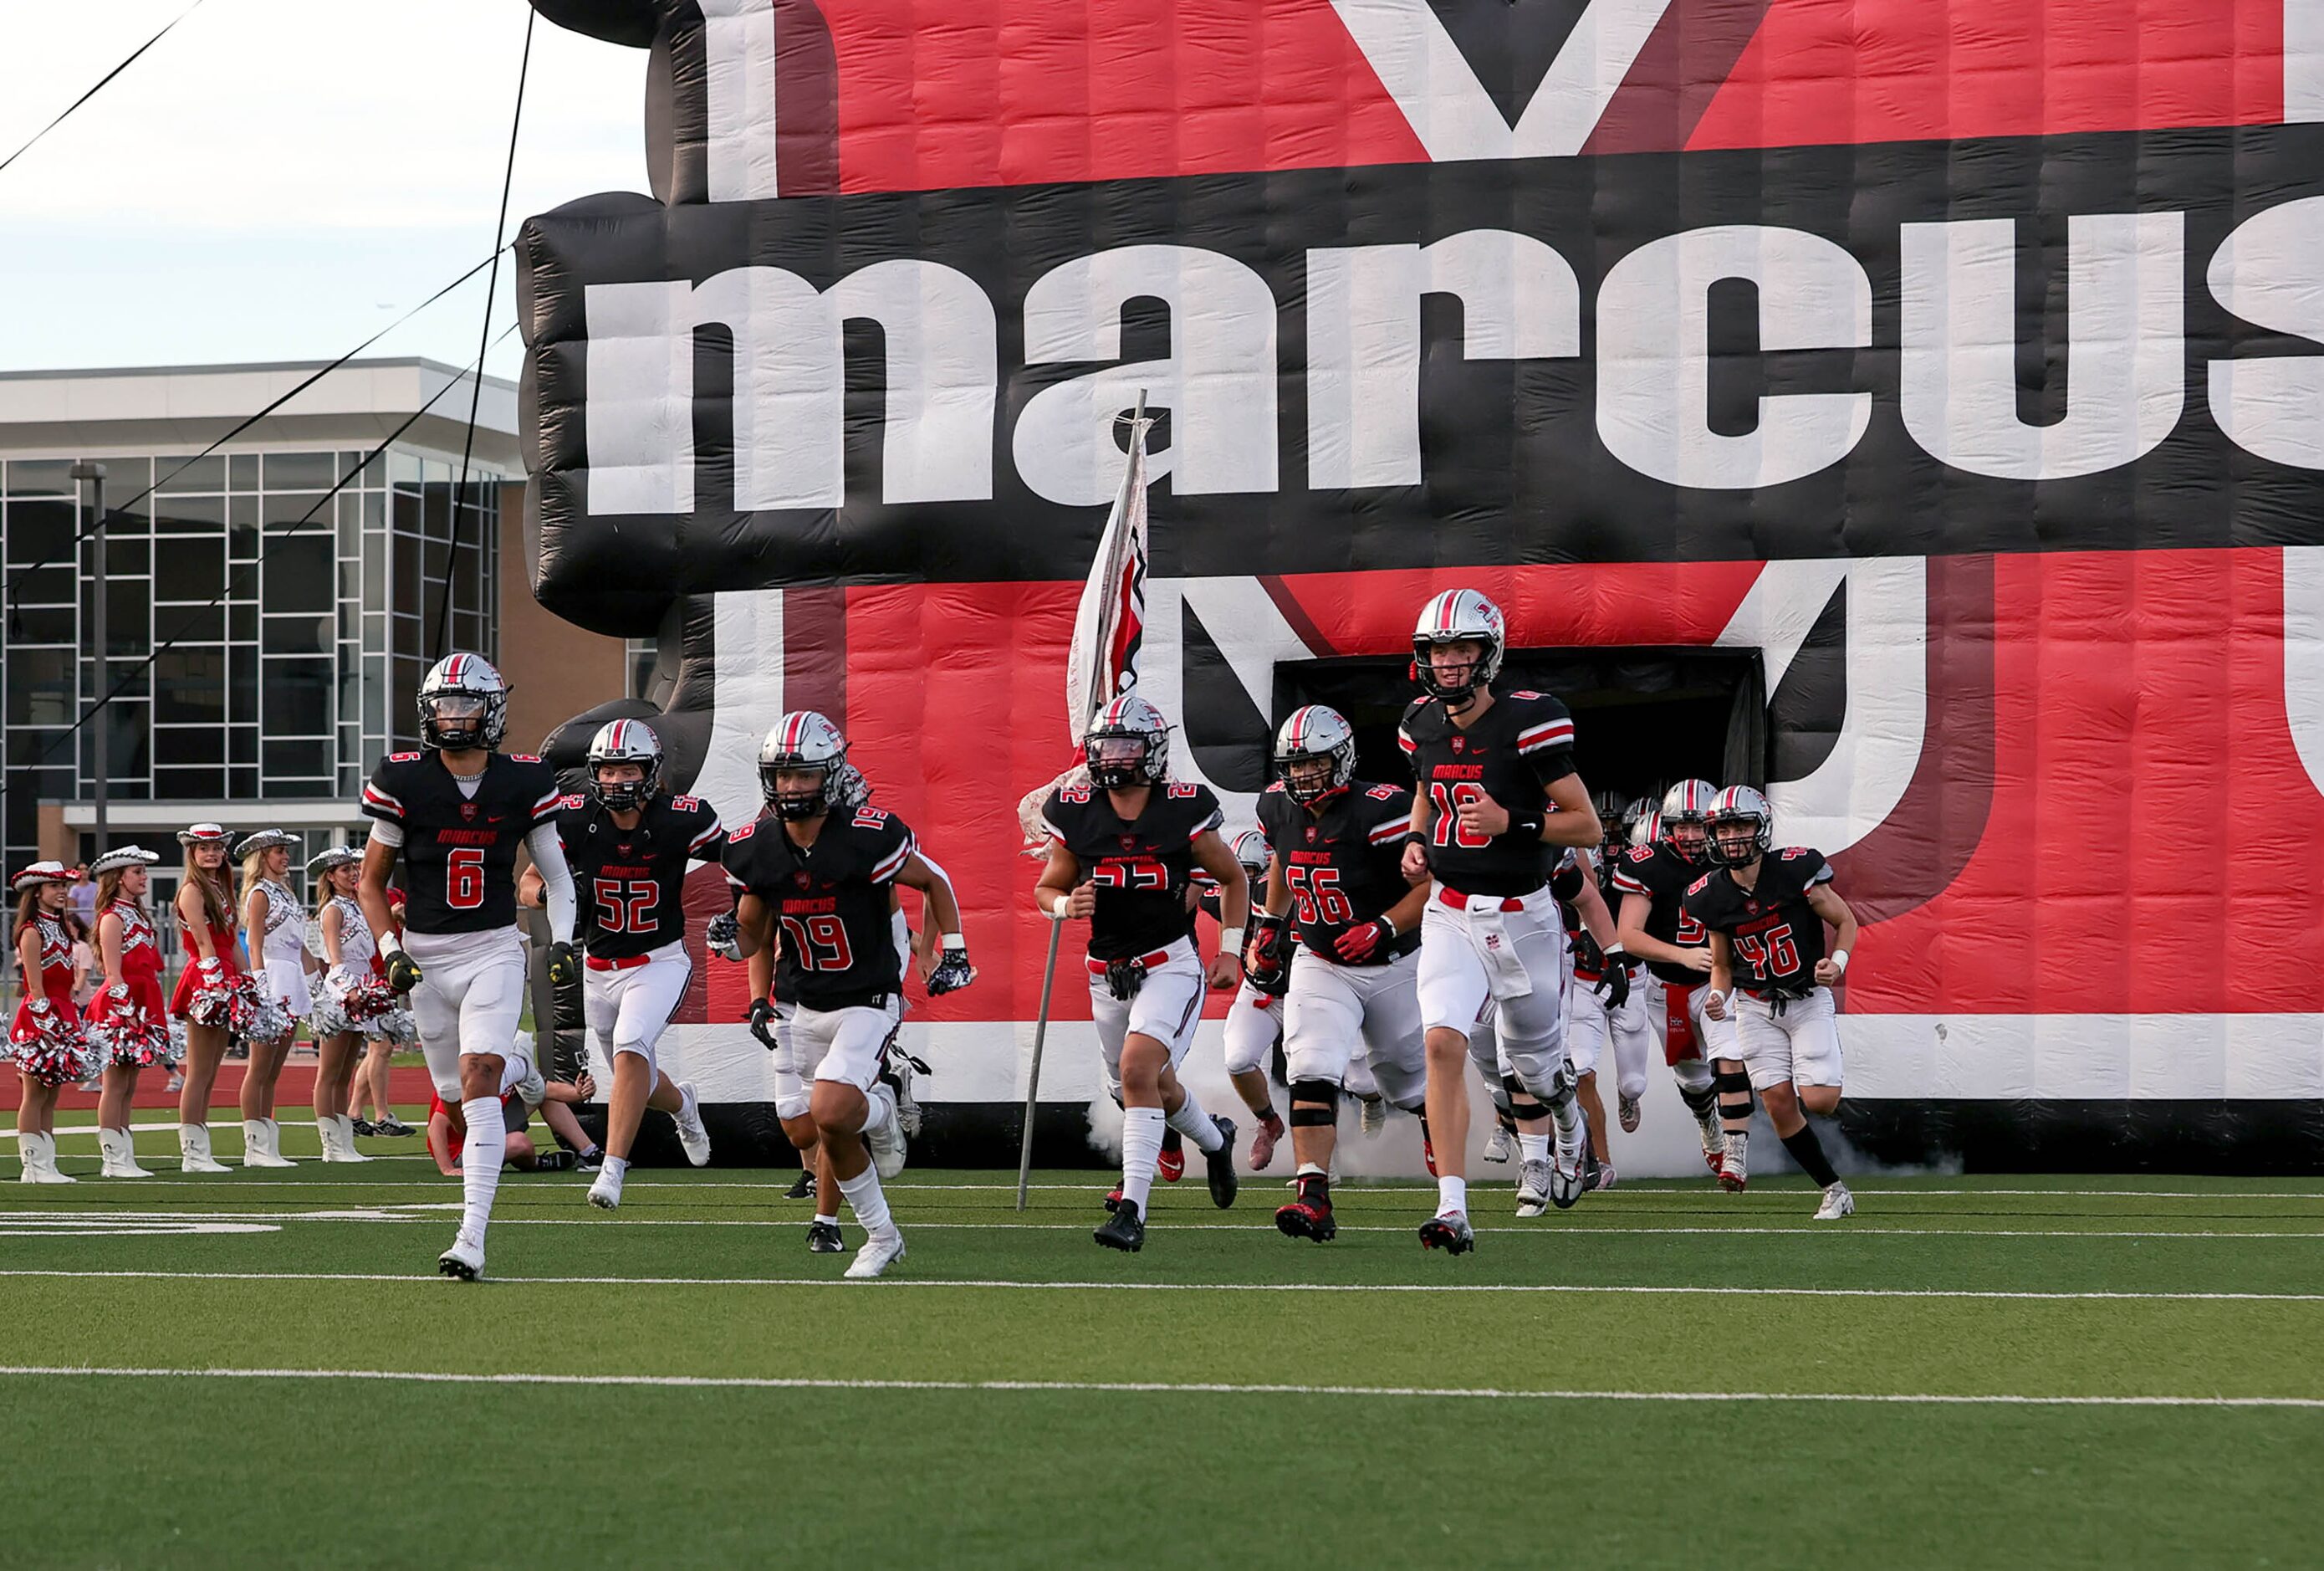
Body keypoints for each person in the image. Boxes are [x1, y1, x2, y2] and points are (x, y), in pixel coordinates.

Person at [724, 711, 973, 1279]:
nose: (791, 787)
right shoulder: (757, 847)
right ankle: (882, 1233)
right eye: (782, 776)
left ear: (830, 776)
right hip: (807, 1002)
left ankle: (879, 1114)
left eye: (804, 775)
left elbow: (932, 881)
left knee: (832, 1110)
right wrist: (729, 942)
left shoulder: (867, 837)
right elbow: (751, 936)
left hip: (867, 997)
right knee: (824, 1126)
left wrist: (952, 950)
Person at [359, 652, 579, 1282]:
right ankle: (522, 1067)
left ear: (493, 710)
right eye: (445, 706)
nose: (456, 717)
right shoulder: (402, 779)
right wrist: (390, 949)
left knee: (478, 1078)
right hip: (425, 957)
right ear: (429, 713)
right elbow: (372, 884)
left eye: (467, 704)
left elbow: (558, 879)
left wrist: (560, 941)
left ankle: (470, 1237)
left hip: (491, 947)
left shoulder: (524, 780)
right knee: (456, 1097)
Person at [1400, 588, 1603, 1252]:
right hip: (1450, 912)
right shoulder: (1420, 722)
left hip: (1525, 918)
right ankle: (1452, 1207)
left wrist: (1513, 821)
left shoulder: (1529, 720)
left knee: (1537, 1069)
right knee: (1441, 1043)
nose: (1449, 663)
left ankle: (1568, 1124)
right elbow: (1428, 786)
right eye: (1437, 650)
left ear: (1488, 654)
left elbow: (1588, 826)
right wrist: (1416, 839)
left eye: (1461, 649)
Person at [1034, 692, 1245, 1252]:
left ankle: (1131, 1209)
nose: (1115, 758)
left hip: (1167, 964)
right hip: (1105, 971)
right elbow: (1047, 888)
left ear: (1152, 751)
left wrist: (1229, 948)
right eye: (1106, 747)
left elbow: (1233, 878)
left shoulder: (1182, 807)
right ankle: (1214, 1139)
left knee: (1136, 1072)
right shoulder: (1075, 810)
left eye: (1128, 747)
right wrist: (1063, 906)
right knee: (1145, 1087)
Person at [524, 719, 722, 1210]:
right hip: (598, 967)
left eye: (627, 768)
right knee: (635, 1075)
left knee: (633, 1047)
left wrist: (740, 912)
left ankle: (612, 1169)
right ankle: (685, 1106)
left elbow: (739, 860)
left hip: (658, 962)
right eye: (607, 770)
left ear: (650, 771)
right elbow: (527, 883)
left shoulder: (680, 817)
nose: (616, 780)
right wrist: (554, 895)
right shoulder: (573, 819)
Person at [1259, 704, 1433, 1243]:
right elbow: (1286, 865)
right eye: (1294, 765)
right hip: (1322, 960)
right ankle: (1314, 1197)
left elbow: (1433, 888)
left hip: (1392, 963)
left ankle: (1432, 1121)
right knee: (1309, 1065)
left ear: (1342, 758)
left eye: (1314, 764)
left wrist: (1382, 925)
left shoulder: (1385, 810)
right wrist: (1270, 922)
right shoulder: (1276, 806)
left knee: (1406, 1081)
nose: (1302, 776)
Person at [1687, 786, 1862, 1217]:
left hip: (1805, 997)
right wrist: (1714, 996)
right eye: (1723, 828)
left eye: (1741, 825)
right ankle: (1834, 1189)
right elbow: (1723, 967)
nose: (1732, 836)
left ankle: (1822, 1068)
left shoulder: (1793, 869)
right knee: (1778, 1103)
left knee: (1820, 1101)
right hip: (1754, 1004)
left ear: (1760, 827)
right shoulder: (1710, 894)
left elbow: (1845, 920)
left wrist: (1836, 963)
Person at [1612, 780, 1742, 1181]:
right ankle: (1709, 1125)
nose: (1689, 836)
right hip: (1666, 987)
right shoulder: (1648, 863)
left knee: (1730, 1056)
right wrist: (1681, 955)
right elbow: (1628, 935)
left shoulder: (1734, 857)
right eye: (1680, 827)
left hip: (1718, 980)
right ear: (1666, 826)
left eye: (1699, 826)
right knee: (1694, 1077)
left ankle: (1736, 1151)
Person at [83, 847, 171, 1179]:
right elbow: (113, 973)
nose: (144, 877)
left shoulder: (138, 914)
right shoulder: (111, 918)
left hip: (143, 999)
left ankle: (125, 1154)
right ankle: (113, 1159)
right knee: (115, 1084)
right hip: (121, 1004)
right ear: (119, 877)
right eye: (137, 871)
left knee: (130, 1084)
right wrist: (128, 1011)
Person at [1550, 847, 1631, 1197]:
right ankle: (1536, 1156)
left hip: (1573, 972)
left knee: (1580, 1072)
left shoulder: (1558, 849)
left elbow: (1589, 894)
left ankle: (1599, 1158)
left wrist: (1610, 952)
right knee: (1516, 1064)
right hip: (1509, 955)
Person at [9, 862, 96, 1183]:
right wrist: (48, 1024)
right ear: (37, 892)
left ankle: (47, 1163)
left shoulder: (60, 928)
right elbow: (34, 986)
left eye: (63, 885)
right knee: (34, 1093)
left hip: (63, 1012)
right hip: (40, 1016)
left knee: (52, 1093)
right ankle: (33, 1166)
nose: (62, 891)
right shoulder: (31, 931)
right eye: (53, 886)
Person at [1208, 828, 1286, 1172]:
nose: (1243, 883)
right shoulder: (1229, 892)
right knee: (1238, 1059)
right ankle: (1269, 1122)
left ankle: (1373, 1103)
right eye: (1239, 874)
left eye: (1250, 874)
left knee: (1349, 1076)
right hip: (1259, 992)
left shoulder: (1301, 900)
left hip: (1314, 991)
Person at [235, 829, 314, 1168]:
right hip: (271, 974)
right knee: (259, 1066)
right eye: (280, 852)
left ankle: (268, 1143)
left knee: (274, 1068)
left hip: (292, 974)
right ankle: (255, 1145)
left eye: (286, 852)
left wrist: (317, 983)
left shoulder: (286, 892)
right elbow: (253, 942)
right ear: (262, 856)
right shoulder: (258, 893)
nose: (286, 858)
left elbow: (302, 946)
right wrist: (260, 983)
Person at [169, 824, 243, 1174]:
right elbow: (203, 942)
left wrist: (248, 984)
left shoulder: (222, 889)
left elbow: (232, 942)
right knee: (198, 1071)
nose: (211, 853)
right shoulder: (192, 891)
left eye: (216, 848)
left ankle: (201, 1149)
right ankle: (193, 1154)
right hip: (205, 977)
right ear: (192, 855)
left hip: (225, 973)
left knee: (212, 1069)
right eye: (203, 849)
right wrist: (216, 984)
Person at [306, 846, 381, 1164]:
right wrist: (348, 991)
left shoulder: (358, 906)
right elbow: (334, 957)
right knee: (329, 1073)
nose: (353, 873)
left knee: (346, 1072)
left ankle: (344, 1141)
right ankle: (330, 1145)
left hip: (360, 991)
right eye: (345, 869)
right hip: (341, 994)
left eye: (354, 868)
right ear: (331, 877)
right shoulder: (333, 909)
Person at [426, 1060, 598, 1174]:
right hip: (464, 1149)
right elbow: (436, 1126)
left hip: (488, 1125)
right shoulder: (473, 1073)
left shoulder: (508, 1060)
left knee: (537, 1093)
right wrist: (447, 1168)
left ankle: (590, 1152)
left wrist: (578, 1093)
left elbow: (546, 1089)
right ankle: (537, 1163)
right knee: (520, 1143)